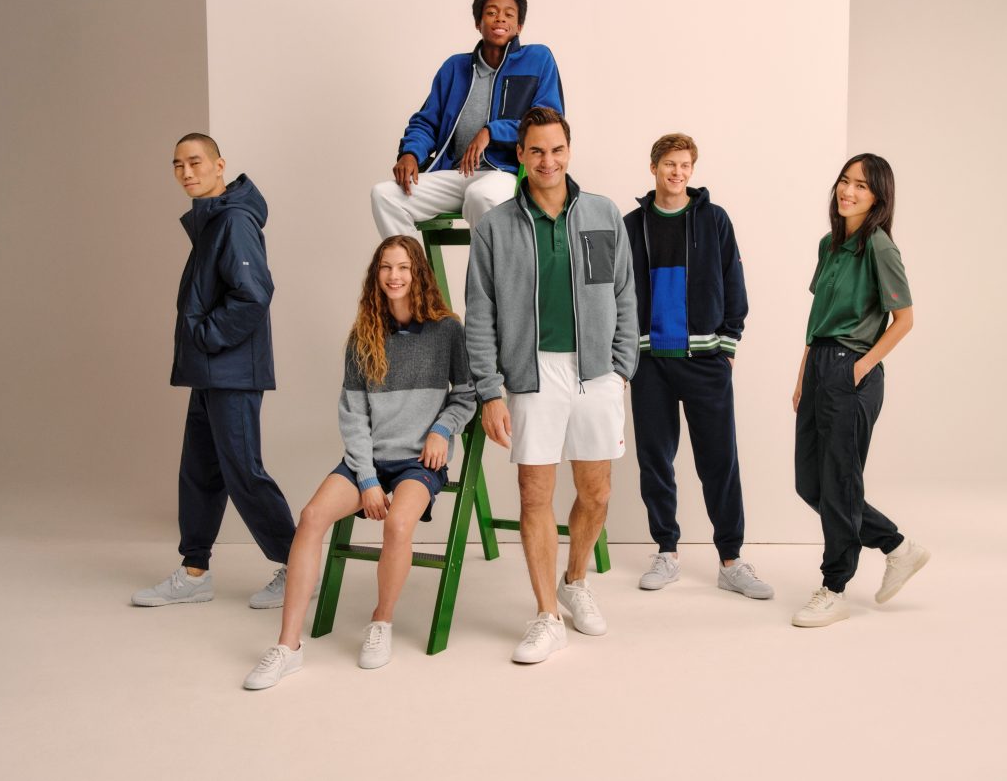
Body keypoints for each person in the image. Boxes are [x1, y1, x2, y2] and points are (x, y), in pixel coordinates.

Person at [244, 236, 475, 688]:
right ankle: (287, 647)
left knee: (398, 526)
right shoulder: (363, 335)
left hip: (418, 461)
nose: (394, 276)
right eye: (386, 267)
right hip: (366, 459)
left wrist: (442, 429)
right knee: (311, 517)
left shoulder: (447, 330)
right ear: (376, 275)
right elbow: (352, 415)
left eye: (403, 267)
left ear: (418, 273)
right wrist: (367, 478)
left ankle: (381, 621)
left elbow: (465, 395)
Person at [465, 107, 638, 664]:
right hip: (532, 374)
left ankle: (575, 580)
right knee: (534, 496)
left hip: (596, 373)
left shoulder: (603, 213)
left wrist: (621, 366)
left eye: (557, 149)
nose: (548, 161)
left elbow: (624, 292)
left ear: (569, 151)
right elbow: (480, 315)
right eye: (536, 151)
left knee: (597, 492)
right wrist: (490, 391)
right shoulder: (495, 227)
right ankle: (546, 615)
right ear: (520, 155)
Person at [133, 133, 297, 610]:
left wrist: (205, 336)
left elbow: (254, 294)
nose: (186, 172)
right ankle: (194, 573)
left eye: (195, 162)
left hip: (232, 372)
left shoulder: (234, 220)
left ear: (220, 165)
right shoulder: (212, 220)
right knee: (199, 472)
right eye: (178, 165)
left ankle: (298, 564)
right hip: (211, 372)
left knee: (243, 471)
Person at [624, 134, 771, 599]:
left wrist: (727, 346)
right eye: (670, 164)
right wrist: (625, 354)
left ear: (692, 169)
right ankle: (666, 552)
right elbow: (618, 293)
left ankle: (731, 560)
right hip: (650, 362)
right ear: (653, 167)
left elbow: (734, 281)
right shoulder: (632, 225)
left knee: (720, 461)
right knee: (655, 460)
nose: (678, 172)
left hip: (706, 360)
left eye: (685, 165)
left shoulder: (714, 219)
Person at [790, 153, 929, 627]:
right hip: (820, 367)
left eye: (862, 186)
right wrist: (803, 374)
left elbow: (904, 319)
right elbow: (817, 320)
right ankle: (897, 546)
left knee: (840, 483)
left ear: (878, 197)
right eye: (845, 181)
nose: (848, 191)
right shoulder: (830, 245)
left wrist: (862, 365)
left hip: (851, 369)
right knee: (811, 483)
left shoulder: (879, 247)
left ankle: (834, 588)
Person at [370, 0, 564, 238]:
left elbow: (548, 123)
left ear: (519, 26)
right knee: (384, 195)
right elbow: (426, 122)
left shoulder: (538, 59)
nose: (500, 19)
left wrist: (491, 132)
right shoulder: (454, 68)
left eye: (509, 14)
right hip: (455, 173)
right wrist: (410, 154)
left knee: (479, 195)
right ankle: (414, 267)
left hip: (504, 174)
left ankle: (490, 267)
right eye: (491, 12)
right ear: (478, 22)